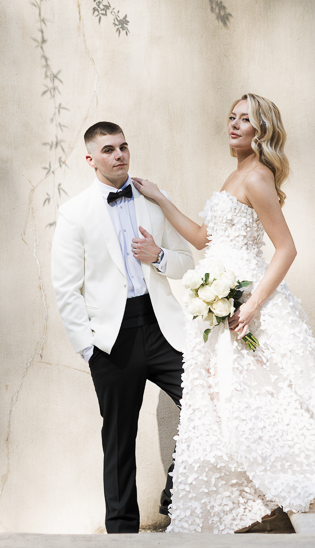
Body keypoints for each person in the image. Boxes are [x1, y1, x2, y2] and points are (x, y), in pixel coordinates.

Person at [133, 93, 315, 534]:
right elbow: (203, 238)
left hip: (249, 304)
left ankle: (266, 486)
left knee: (261, 398)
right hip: (222, 305)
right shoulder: (236, 173)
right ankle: (249, 485)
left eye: (245, 120)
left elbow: (287, 248)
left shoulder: (256, 177)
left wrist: (251, 304)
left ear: (262, 130)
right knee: (234, 400)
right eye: (231, 117)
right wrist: (160, 198)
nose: (234, 125)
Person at [51, 121, 194, 533]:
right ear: (91, 159)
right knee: (118, 440)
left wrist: (159, 255)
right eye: (109, 150)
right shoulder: (74, 213)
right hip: (113, 340)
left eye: (124, 147)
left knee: (206, 405)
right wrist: (89, 350)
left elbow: (186, 260)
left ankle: (174, 492)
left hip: (162, 325)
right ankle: (122, 534)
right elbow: (66, 288)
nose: (119, 155)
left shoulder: (152, 199)